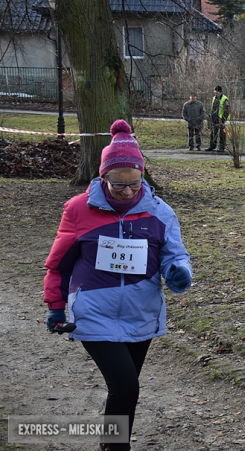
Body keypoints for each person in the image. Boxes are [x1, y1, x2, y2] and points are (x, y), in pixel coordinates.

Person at [43, 119, 192, 451]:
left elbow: (174, 254)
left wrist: (179, 271)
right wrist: (55, 306)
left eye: (135, 184)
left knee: (125, 389)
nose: (127, 192)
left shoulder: (159, 211)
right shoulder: (78, 210)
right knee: (126, 387)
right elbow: (59, 264)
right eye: (118, 185)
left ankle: (109, 444)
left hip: (142, 311)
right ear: (102, 178)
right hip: (94, 311)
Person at [205, 85, 230, 152]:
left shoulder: (225, 99)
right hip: (214, 118)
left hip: (221, 119)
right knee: (213, 133)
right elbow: (213, 108)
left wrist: (223, 119)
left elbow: (227, 110)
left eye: (215, 90)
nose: (214, 92)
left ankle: (222, 147)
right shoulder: (214, 98)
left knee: (222, 134)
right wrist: (211, 115)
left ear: (219, 91)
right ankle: (212, 146)